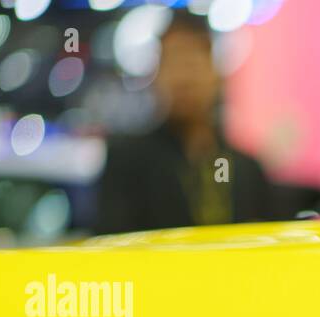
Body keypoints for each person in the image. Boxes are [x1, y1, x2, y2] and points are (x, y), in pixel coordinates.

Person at [94, 12, 277, 235]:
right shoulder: (127, 160)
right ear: (157, 76)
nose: (184, 78)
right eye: (174, 62)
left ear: (214, 74)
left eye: (193, 62)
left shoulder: (247, 168)